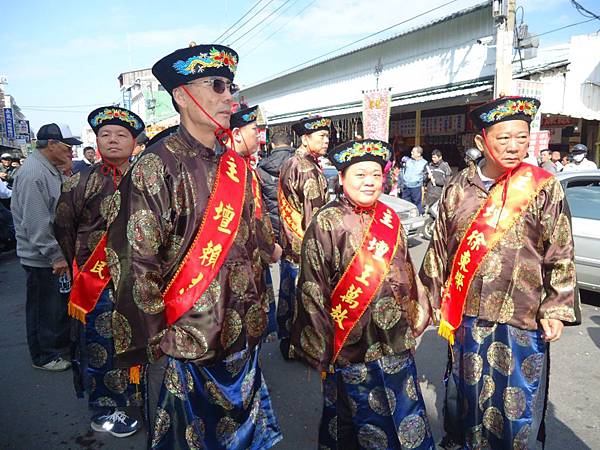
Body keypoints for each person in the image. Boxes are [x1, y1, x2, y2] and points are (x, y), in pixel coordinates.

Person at [106, 43, 282, 449]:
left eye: (231, 86)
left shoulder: (237, 165)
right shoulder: (156, 165)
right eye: (216, 85)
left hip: (243, 336)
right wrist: (156, 339)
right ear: (181, 96)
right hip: (190, 342)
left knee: (249, 435)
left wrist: (262, 310)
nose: (228, 97)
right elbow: (134, 262)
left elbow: (253, 243)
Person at [420, 96, 578, 449]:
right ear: (481, 142)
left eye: (521, 138)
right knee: (466, 396)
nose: (514, 146)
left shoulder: (542, 186)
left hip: (521, 318)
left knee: (514, 405)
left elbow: (561, 250)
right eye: (504, 138)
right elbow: (440, 250)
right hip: (467, 317)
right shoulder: (459, 187)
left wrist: (554, 309)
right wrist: (426, 303)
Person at [290, 138, 434, 449]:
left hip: (395, 340)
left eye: (376, 174)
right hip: (349, 345)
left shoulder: (390, 217)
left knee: (404, 413)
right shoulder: (326, 222)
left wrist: (416, 312)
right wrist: (320, 348)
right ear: (341, 179)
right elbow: (312, 287)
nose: (369, 181)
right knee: (351, 419)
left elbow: (406, 269)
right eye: (360, 174)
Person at [54, 106, 145, 438]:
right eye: (105, 134)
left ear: (134, 142)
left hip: (137, 279)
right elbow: (62, 226)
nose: (113, 140)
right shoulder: (81, 180)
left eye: (121, 135)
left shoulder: (145, 178)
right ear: (96, 140)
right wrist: (78, 262)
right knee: (100, 345)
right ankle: (105, 410)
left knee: (134, 340)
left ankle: (133, 398)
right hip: (98, 282)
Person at [11, 123, 81, 371]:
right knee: (44, 307)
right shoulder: (33, 174)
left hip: (55, 254)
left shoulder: (51, 169)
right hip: (42, 258)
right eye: (67, 146)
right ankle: (43, 355)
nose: (71, 151)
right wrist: (55, 256)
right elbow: (37, 223)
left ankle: (57, 347)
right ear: (51, 144)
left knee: (56, 305)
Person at [277, 115, 330, 359]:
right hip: (304, 244)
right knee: (306, 299)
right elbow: (315, 217)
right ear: (305, 138)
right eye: (321, 136)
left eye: (327, 135)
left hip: (290, 240)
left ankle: (287, 342)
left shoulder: (292, 162)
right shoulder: (307, 169)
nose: (326, 140)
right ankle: (302, 347)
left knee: (289, 295)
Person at [230, 104, 282, 342]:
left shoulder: (243, 166)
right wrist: (270, 247)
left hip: (254, 257)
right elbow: (251, 220)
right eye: (254, 130)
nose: (259, 138)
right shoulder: (231, 170)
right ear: (236, 134)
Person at [256, 129, 294, 240]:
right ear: (291, 143)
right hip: (295, 224)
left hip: (272, 225)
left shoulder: (261, 168)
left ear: (272, 145)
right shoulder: (299, 163)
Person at [400, 146, 428, 213]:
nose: (411, 152)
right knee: (405, 204)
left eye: (413, 151)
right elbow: (402, 172)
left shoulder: (424, 163)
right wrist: (400, 184)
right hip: (406, 186)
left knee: (416, 205)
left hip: (416, 187)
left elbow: (425, 175)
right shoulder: (408, 161)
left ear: (419, 154)